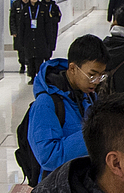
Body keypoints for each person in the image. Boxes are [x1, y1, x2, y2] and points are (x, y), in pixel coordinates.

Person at [27, 34, 107, 177]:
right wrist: (94, 134)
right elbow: (49, 157)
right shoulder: (46, 104)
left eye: (101, 76)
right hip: (59, 190)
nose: (96, 81)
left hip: (84, 184)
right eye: (92, 74)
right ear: (72, 68)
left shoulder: (89, 97)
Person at [33, 0, 63, 68]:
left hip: (52, 28)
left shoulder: (54, 6)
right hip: (42, 29)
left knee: (51, 42)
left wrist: (51, 20)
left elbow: (58, 17)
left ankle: (48, 58)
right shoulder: (40, 6)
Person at [10, 0, 36, 73]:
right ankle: (22, 65)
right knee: (20, 49)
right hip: (18, 32)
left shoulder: (31, 5)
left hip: (28, 32)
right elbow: (12, 19)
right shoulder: (16, 4)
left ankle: (29, 65)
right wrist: (13, 31)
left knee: (28, 49)